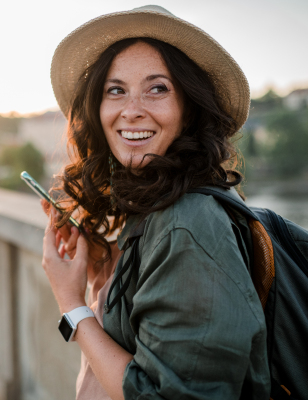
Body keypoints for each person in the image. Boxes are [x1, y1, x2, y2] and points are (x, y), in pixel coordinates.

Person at [40, 5, 270, 400]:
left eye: (157, 88)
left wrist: (72, 305)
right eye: (116, 90)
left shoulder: (189, 223)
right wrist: (105, 266)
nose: (132, 110)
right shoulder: (159, 214)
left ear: (190, 108)